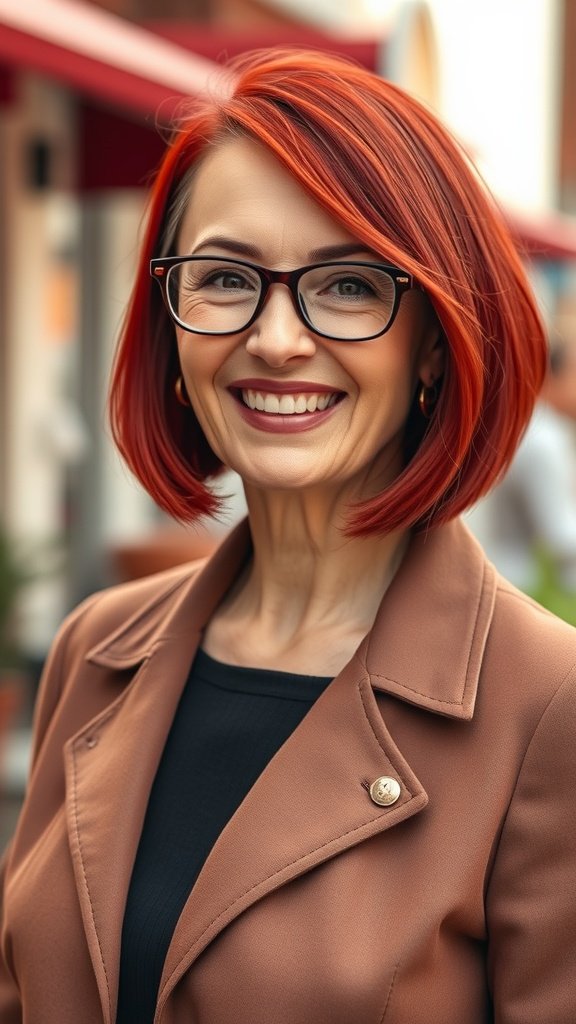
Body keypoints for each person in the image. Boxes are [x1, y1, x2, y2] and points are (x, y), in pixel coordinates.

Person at [1, 47, 575, 1024]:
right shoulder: (96, 648)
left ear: (434, 338)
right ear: (170, 326)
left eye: (349, 286)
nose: (275, 338)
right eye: (226, 277)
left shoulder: (547, 707)